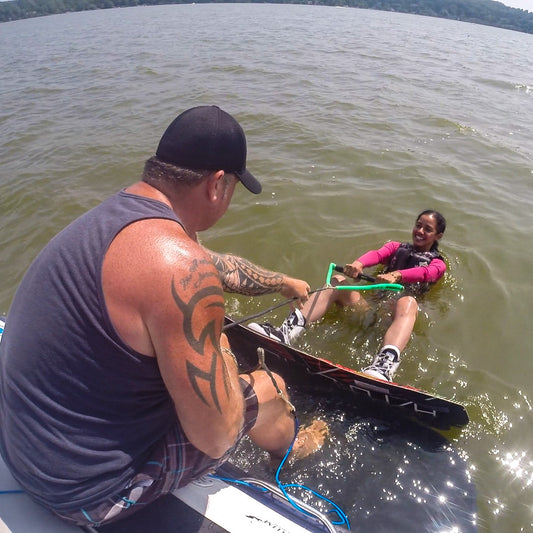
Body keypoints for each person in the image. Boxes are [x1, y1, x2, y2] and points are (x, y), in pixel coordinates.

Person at [0, 105, 328, 527]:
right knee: (266, 388)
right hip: (82, 493)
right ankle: (293, 449)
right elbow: (217, 436)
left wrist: (283, 282)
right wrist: (223, 350)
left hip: (28, 453)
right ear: (217, 186)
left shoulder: (124, 219)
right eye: (232, 190)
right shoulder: (178, 266)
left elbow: (216, 264)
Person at [250, 210, 447, 382]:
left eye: (427, 229)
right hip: (369, 313)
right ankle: (286, 332)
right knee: (337, 281)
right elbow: (377, 255)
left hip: (391, 322)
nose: (420, 231)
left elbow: (426, 274)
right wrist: (358, 264)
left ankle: (384, 366)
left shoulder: (438, 264)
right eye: (418, 225)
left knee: (408, 301)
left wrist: (397, 274)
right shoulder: (396, 248)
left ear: (438, 235)